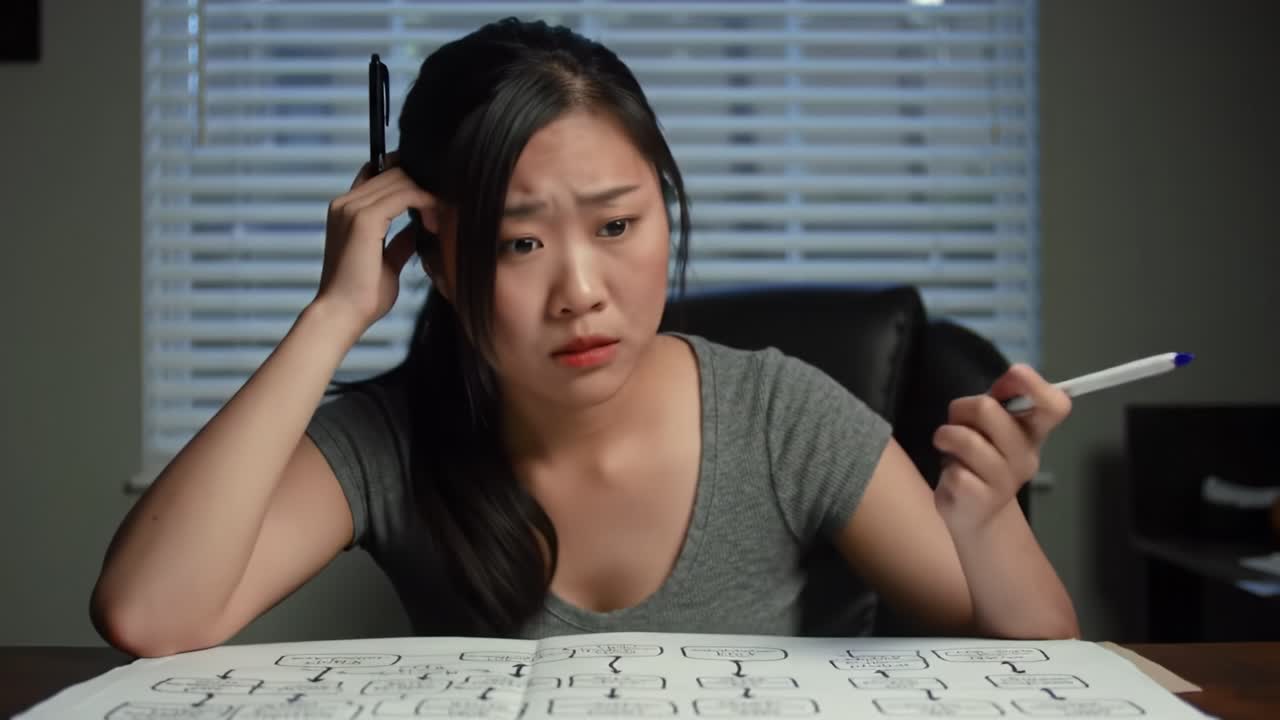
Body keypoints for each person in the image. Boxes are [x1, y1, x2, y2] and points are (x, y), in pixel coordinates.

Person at [90, 18, 1078, 658]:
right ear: (433, 255)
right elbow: (149, 617)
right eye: (518, 242)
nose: (581, 292)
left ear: (665, 209)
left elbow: (1032, 659)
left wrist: (988, 518)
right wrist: (331, 316)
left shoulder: (779, 415)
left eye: (616, 226)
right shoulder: (391, 438)